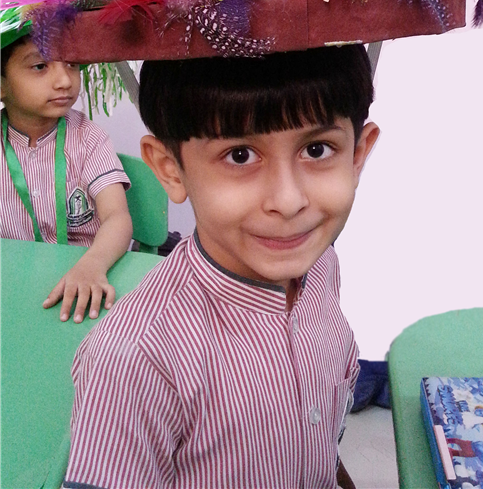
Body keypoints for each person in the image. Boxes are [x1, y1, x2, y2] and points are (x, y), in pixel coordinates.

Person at [64, 44, 380, 489]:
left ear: (357, 154)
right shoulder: (134, 360)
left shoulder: (321, 264)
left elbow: (321, 438)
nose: (289, 201)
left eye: (316, 149)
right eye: (240, 155)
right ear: (170, 169)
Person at [0, 35, 133, 323]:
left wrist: (93, 264)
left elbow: (117, 217)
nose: (64, 81)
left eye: (71, 64)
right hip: (13, 287)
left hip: (90, 278)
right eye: (40, 66)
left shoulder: (89, 138)